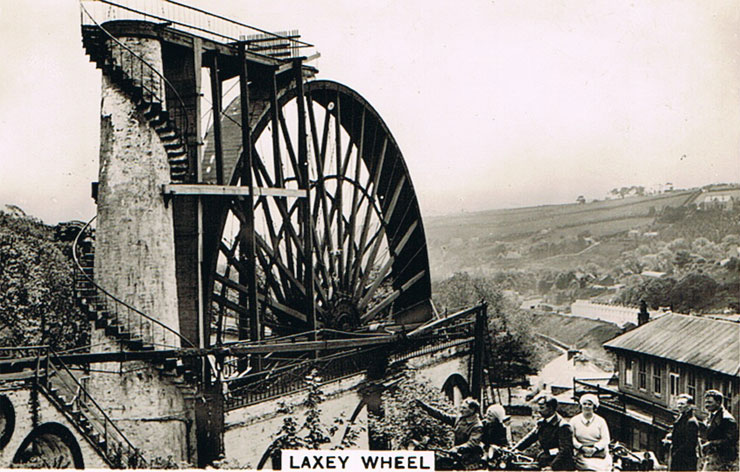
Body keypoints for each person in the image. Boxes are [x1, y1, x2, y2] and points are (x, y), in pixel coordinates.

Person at [415, 397, 483, 468]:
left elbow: (472, 443)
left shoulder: (477, 426)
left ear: (472, 410)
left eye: (464, 408)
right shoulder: (461, 418)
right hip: (458, 455)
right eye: (461, 407)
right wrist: (425, 407)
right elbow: (443, 416)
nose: (461, 410)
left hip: (470, 460)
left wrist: (457, 448)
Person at [514, 394, 575, 470]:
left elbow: (565, 451)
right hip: (546, 459)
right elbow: (530, 438)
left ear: (551, 408)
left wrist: (552, 468)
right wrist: (515, 449)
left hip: (560, 464)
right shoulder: (542, 423)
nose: (539, 410)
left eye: (542, 408)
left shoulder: (563, 426)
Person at [570, 393, 612, 471]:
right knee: (587, 467)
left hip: (599, 452)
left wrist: (595, 448)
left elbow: (606, 439)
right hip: (582, 452)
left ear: (594, 407)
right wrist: (581, 447)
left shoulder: (601, 421)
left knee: (604, 468)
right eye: (584, 404)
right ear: (581, 406)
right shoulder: (574, 420)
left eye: (590, 404)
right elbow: (571, 438)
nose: (587, 406)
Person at [700, 390, 738, 471]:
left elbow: (731, 440)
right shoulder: (712, 415)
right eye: (706, 402)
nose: (706, 405)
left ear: (718, 402)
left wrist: (711, 444)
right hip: (711, 457)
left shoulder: (726, 419)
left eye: (710, 402)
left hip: (722, 459)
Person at [662, 393, 700, 471]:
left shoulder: (691, 421)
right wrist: (670, 436)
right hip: (678, 457)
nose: (679, 406)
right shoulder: (682, 417)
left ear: (690, 406)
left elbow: (690, 443)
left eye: (682, 404)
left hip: (685, 459)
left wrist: (676, 453)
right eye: (678, 404)